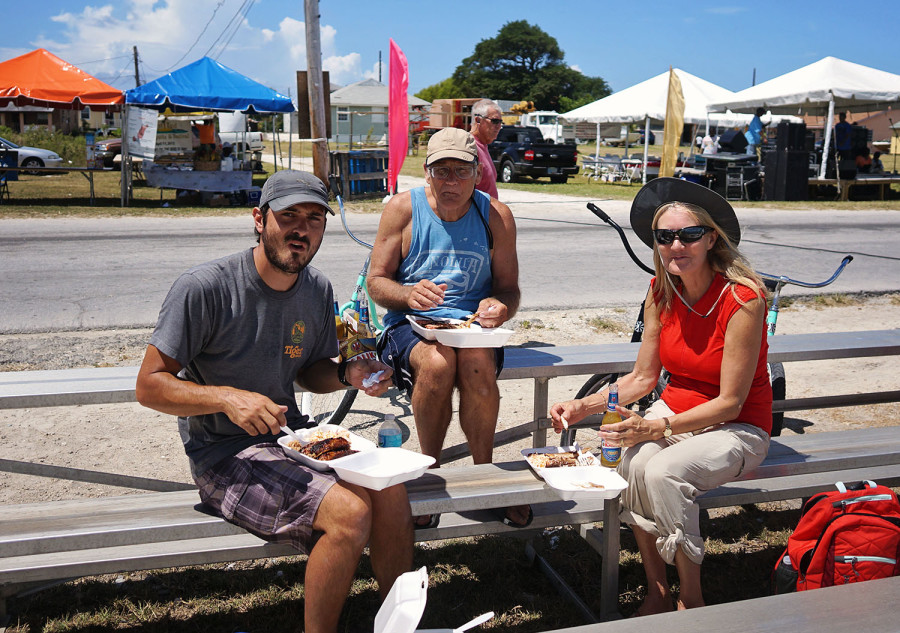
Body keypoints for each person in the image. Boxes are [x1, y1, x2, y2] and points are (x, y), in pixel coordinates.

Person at [135, 170, 411, 633]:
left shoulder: (316, 289)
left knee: (389, 489)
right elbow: (149, 386)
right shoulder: (206, 288)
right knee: (350, 513)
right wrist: (225, 398)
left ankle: (400, 623)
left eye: (314, 219)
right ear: (259, 220)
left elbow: (308, 371)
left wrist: (348, 374)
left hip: (292, 440)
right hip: (223, 454)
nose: (302, 230)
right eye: (289, 217)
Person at [549, 178, 772, 616]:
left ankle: (692, 598)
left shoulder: (744, 298)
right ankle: (657, 590)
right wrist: (584, 407)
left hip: (738, 426)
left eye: (688, 235)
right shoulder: (660, 291)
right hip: (676, 414)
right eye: (664, 236)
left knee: (664, 472)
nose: (675, 245)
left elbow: (730, 401)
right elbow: (643, 377)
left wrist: (657, 426)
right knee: (631, 465)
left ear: (711, 238)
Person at [367, 127, 527, 529]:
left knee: (474, 359)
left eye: (461, 171)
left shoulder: (495, 215)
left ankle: (483, 474)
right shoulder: (403, 209)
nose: (451, 182)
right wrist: (406, 295)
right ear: (426, 173)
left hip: (470, 327)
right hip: (408, 324)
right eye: (442, 172)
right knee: (437, 364)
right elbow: (376, 282)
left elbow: (509, 290)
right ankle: (429, 477)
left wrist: (499, 307)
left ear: (478, 174)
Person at [469, 98, 503, 199]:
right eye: (495, 121)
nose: (499, 126)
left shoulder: (483, 146)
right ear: (478, 120)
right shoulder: (469, 146)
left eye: (500, 122)